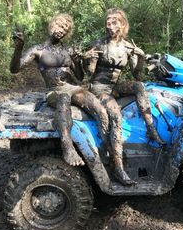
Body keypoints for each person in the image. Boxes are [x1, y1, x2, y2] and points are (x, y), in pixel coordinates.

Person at [10, 13, 109, 166]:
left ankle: (105, 148)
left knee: (100, 109)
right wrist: (19, 48)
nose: (62, 29)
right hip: (54, 90)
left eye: (65, 28)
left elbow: (80, 77)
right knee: (63, 98)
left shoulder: (67, 50)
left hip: (73, 88)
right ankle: (68, 148)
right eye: (60, 25)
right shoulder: (38, 50)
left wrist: (77, 60)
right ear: (52, 24)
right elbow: (15, 69)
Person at [83, 8, 164, 185]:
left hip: (114, 87)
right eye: (108, 22)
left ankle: (151, 129)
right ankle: (118, 168)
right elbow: (89, 73)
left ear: (122, 23)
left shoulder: (127, 46)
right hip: (99, 87)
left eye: (114, 22)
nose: (110, 26)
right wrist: (87, 59)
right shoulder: (100, 44)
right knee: (116, 116)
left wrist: (141, 57)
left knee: (139, 86)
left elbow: (136, 74)